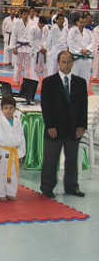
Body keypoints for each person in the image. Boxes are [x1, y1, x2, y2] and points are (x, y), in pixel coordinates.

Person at [40, 51, 87, 198]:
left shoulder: (80, 82)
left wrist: (82, 125)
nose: (67, 65)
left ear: (73, 63)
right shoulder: (48, 82)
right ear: (58, 63)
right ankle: (47, 187)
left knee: (72, 160)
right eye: (64, 62)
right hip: (55, 128)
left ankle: (72, 186)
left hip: (73, 128)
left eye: (69, 62)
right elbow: (46, 106)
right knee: (51, 160)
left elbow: (83, 106)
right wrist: (50, 126)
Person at [0, 96, 26, 201]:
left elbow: (22, 138)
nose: (8, 110)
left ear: (15, 109)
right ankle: (1, 193)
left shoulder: (17, 122)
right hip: (3, 150)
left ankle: (11, 192)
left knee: (13, 173)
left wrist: (21, 153)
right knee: (1, 173)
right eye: (6, 108)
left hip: (14, 151)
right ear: (2, 109)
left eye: (11, 108)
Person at [68, 14, 94, 85]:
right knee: (74, 77)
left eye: (84, 22)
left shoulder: (88, 32)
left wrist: (87, 50)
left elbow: (92, 42)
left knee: (86, 77)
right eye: (81, 22)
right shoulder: (72, 31)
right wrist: (81, 51)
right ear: (77, 22)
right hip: (76, 58)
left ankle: (84, 91)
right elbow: (71, 43)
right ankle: (73, 91)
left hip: (86, 58)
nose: (82, 24)